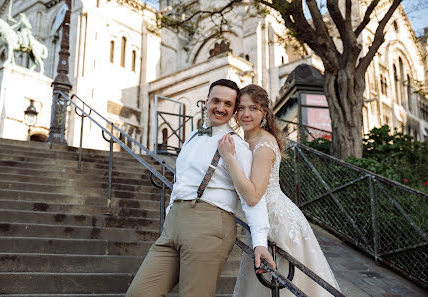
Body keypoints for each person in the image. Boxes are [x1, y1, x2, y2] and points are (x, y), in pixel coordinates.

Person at [126, 79, 275, 297]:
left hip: (209, 225)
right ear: (206, 102)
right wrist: (170, 215)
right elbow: (180, 182)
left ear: (233, 111)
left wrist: (260, 243)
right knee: (139, 293)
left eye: (227, 104)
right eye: (216, 101)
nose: (220, 108)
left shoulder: (236, 146)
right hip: (174, 226)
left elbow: (251, 197)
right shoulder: (192, 136)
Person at [218, 84, 340, 297]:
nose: (246, 114)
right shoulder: (246, 140)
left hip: (277, 222)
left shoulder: (264, 144)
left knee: (284, 284)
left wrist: (228, 158)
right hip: (262, 220)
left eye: (253, 108)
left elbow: (254, 195)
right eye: (241, 108)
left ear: (264, 112)